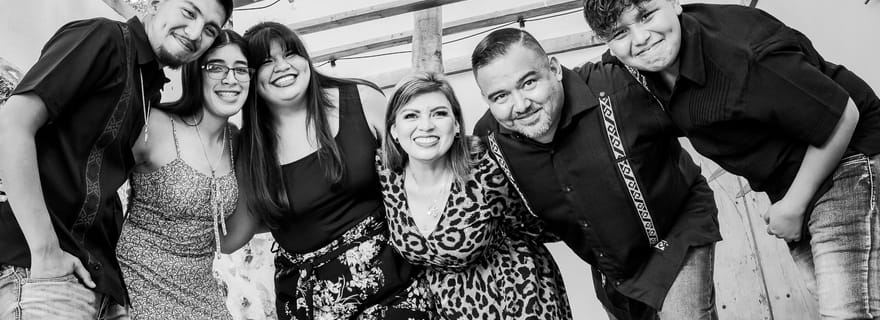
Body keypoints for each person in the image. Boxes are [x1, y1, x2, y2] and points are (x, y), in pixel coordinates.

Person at [581, 1, 880, 318]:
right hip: (788, 179)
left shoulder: (742, 55)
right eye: (620, 32)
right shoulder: (629, 67)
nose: (640, 37)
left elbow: (842, 115)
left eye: (646, 16)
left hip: (845, 157)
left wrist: (794, 204)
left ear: (673, 3)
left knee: (849, 311)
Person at [0, 0, 232, 318]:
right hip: (40, 270)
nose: (195, 33)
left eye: (209, 29)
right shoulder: (105, 38)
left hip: (96, 281)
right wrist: (45, 252)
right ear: (153, 3)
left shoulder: (148, 87)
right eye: (188, 12)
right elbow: (12, 124)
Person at [471, 28, 722, 320]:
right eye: (500, 96)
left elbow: (711, 111)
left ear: (554, 69)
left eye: (528, 83)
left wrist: (788, 191)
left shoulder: (619, 85)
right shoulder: (490, 140)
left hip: (675, 234)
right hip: (612, 266)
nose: (521, 105)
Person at [228, 21, 434, 320]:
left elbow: (419, 173)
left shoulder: (362, 100)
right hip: (308, 304)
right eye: (266, 62)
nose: (283, 66)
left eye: (290, 54)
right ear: (251, 77)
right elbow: (240, 233)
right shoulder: (249, 150)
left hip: (396, 291)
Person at [377, 72, 572, 319]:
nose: (426, 125)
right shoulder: (387, 178)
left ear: (457, 124)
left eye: (439, 113)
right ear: (394, 130)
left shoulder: (487, 169)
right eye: (411, 116)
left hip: (517, 297)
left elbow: (544, 222)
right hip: (449, 309)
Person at [115, 29, 251, 319]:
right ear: (195, 71)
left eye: (241, 69)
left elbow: (231, 237)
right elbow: (94, 181)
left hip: (202, 293)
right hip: (136, 286)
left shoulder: (238, 143)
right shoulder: (156, 125)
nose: (230, 79)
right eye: (216, 67)